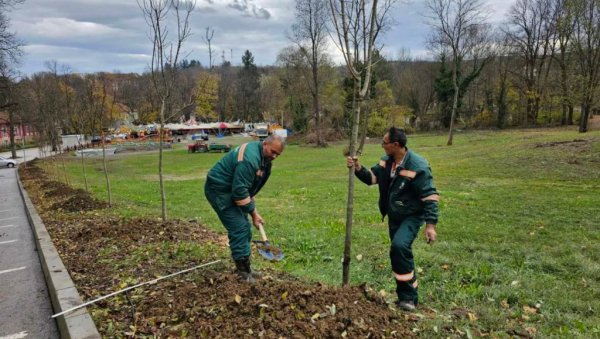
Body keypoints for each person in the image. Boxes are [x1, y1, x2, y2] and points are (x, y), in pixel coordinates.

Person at [346, 127, 439, 311]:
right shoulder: (387, 162)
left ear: (396, 145)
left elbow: (430, 196)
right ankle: (407, 294)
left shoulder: (417, 166)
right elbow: (372, 178)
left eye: (384, 142)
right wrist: (357, 167)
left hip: (412, 215)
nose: (382, 145)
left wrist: (430, 225)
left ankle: (408, 300)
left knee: (399, 247)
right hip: (395, 215)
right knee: (399, 252)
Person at [205, 134, 285, 283]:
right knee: (240, 228)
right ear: (265, 144)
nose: (274, 156)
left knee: (245, 228)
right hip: (219, 190)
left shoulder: (263, 158)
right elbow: (239, 191)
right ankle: (243, 273)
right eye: (273, 152)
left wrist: (250, 197)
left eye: (277, 154)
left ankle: (245, 268)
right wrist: (254, 214)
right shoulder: (250, 159)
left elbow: (247, 184)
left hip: (232, 189)